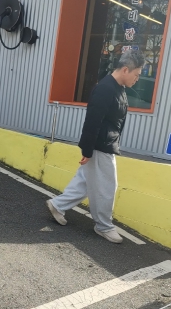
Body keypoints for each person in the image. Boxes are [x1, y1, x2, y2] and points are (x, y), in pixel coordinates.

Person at [45, 51, 145, 244]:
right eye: (137, 74)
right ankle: (104, 226)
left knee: (85, 182)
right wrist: (87, 150)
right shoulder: (106, 88)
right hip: (101, 145)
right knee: (107, 187)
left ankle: (58, 205)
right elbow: (92, 121)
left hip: (104, 143)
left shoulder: (118, 87)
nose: (137, 79)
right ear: (125, 70)